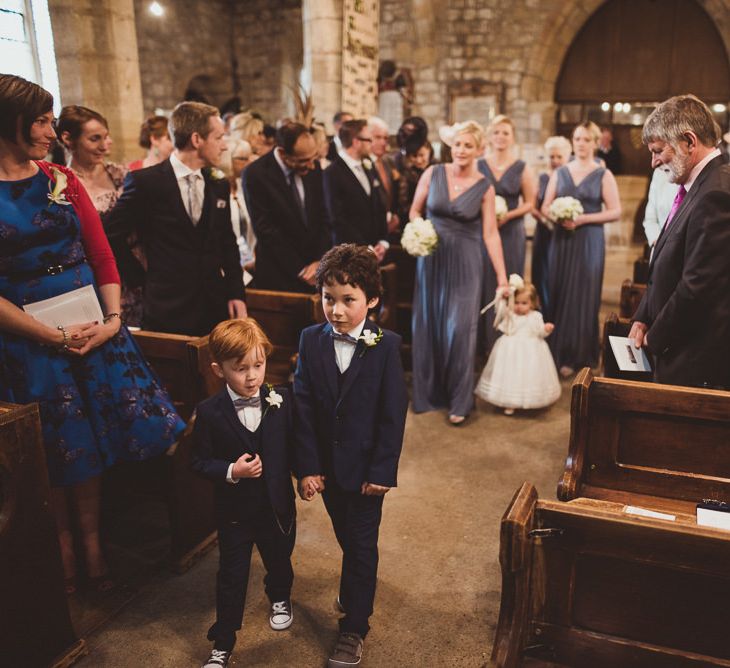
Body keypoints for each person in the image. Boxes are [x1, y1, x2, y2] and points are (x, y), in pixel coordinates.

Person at [0, 75, 185, 594]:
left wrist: (111, 321)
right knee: (57, 449)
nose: (49, 129)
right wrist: (48, 336)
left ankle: (93, 544)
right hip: (27, 342)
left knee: (92, 448)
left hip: (93, 326)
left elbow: (102, 253)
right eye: (38, 120)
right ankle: (60, 550)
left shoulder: (60, 178)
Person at [293, 244, 408, 668]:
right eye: (328, 298)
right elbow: (302, 409)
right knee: (348, 538)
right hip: (326, 470)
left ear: (372, 300)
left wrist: (382, 470)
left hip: (366, 472)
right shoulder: (311, 340)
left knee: (361, 546)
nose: (336, 310)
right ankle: (356, 584)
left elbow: (393, 414)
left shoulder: (386, 345)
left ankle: (355, 626)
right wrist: (307, 467)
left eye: (348, 300)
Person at [192, 318, 296, 668]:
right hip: (235, 513)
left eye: (258, 365)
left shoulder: (281, 398)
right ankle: (223, 641)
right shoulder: (209, 413)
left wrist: (308, 474)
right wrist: (231, 471)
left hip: (277, 507)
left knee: (280, 559)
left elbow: (293, 446)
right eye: (240, 369)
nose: (252, 376)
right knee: (231, 576)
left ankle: (279, 596)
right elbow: (197, 462)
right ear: (218, 369)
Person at [106, 101, 246, 336]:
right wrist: (142, 279)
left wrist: (235, 293)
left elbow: (227, 243)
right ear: (196, 140)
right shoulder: (145, 183)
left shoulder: (218, 183)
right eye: (219, 137)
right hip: (167, 305)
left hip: (214, 303)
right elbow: (111, 234)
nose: (224, 146)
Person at [410, 121, 508, 424]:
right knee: (429, 325)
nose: (461, 151)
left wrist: (502, 277)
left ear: (479, 149)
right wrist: (420, 229)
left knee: (460, 329)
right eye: (457, 145)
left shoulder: (485, 187)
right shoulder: (432, 173)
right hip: (432, 258)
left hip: (466, 262)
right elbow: (414, 210)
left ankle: (459, 400)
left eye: (468, 145)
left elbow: (491, 234)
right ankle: (429, 393)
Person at [630, 94, 730, 389]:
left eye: (659, 150)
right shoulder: (697, 184)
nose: (653, 162)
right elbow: (666, 260)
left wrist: (654, 337)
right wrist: (643, 316)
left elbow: (697, 286)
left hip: (693, 354)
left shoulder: (716, 193)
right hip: (677, 342)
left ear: (689, 141)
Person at [542, 120, 621, 377]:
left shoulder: (603, 174)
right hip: (562, 240)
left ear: (596, 143)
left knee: (584, 294)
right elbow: (545, 206)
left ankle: (580, 355)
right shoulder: (561, 172)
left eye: (587, 139)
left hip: (589, 240)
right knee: (559, 290)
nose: (581, 144)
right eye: (577, 139)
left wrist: (583, 219)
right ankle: (559, 351)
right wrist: (558, 215)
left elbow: (615, 211)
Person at [57, 105, 142, 326]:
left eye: (106, 137)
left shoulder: (122, 175)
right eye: (95, 139)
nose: (105, 146)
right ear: (68, 139)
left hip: (134, 273)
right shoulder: (60, 185)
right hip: (96, 277)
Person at [242, 121, 331, 292]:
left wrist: (320, 261)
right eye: (304, 160)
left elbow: (324, 217)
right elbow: (266, 230)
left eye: (314, 158)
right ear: (283, 153)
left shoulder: (314, 168)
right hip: (279, 274)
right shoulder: (256, 174)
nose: (312, 165)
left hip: (316, 270)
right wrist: (301, 270)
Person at [474, 279, 560, 415]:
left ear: (532, 303)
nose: (519, 306)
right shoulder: (510, 315)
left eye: (524, 303)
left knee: (529, 375)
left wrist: (546, 329)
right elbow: (504, 327)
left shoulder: (536, 316)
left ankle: (531, 400)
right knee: (510, 375)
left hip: (531, 351)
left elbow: (540, 332)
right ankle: (509, 402)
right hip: (511, 351)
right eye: (516, 303)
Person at [478, 114, 536, 279]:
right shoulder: (478, 165)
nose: (500, 137)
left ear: (512, 138)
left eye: (505, 133)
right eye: (496, 132)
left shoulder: (522, 168)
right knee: (484, 275)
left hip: (511, 230)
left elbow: (530, 203)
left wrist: (507, 216)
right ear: (489, 137)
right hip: (484, 229)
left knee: (510, 276)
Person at [324, 119, 389, 262]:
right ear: (356, 142)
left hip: (374, 249)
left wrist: (383, 241)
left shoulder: (368, 165)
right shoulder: (332, 173)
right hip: (348, 253)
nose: (372, 143)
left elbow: (379, 205)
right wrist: (364, 248)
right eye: (368, 139)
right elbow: (337, 218)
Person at [531, 135, 572, 315]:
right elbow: (533, 207)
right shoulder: (541, 178)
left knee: (560, 275)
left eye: (559, 157)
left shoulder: (569, 178)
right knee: (542, 273)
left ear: (566, 157)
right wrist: (545, 220)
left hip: (563, 233)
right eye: (552, 157)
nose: (555, 161)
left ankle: (558, 312)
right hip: (544, 231)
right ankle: (543, 312)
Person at [222, 138, 255, 271]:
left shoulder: (244, 187)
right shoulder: (217, 191)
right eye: (243, 159)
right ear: (228, 159)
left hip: (251, 260)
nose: (249, 162)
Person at [368, 116, 400, 239]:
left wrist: (395, 216)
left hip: (390, 228)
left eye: (385, 138)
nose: (383, 142)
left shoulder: (389, 162)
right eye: (378, 137)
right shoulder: (362, 164)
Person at [641, 166, 679, 248]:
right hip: (661, 248)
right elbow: (650, 219)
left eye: (658, 152)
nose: (653, 163)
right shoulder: (659, 173)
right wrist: (660, 244)